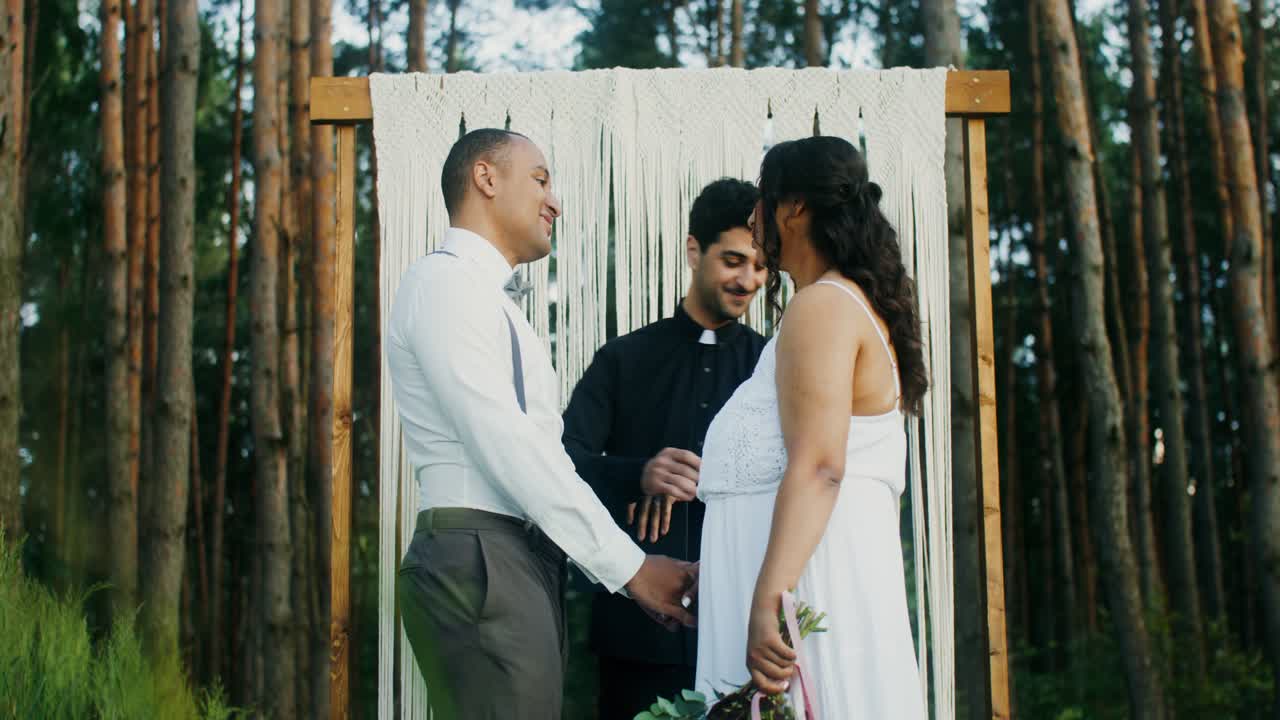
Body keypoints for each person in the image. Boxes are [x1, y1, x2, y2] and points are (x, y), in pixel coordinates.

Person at [385, 128, 697, 720]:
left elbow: (542, 456)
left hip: (513, 556)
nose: (555, 201)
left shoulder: (491, 302)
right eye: (540, 179)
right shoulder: (443, 283)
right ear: (485, 177)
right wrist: (628, 567)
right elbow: (507, 446)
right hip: (480, 553)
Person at [694, 136, 930, 718]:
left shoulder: (822, 306)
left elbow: (821, 466)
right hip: (795, 583)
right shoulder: (831, 304)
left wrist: (769, 600)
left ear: (793, 208)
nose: (753, 220)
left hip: (807, 600)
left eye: (760, 202)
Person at [562, 178, 768, 719]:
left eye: (761, 266)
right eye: (733, 260)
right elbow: (558, 465)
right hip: (636, 631)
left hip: (745, 624)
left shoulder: (775, 368)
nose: (749, 280)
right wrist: (637, 475)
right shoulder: (623, 359)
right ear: (693, 250)